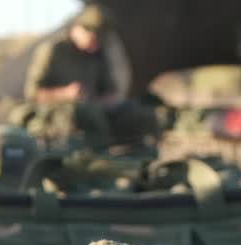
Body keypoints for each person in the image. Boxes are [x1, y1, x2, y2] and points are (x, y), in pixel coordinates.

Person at [18, 5, 156, 149]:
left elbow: (109, 90)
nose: (96, 43)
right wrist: (65, 93)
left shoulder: (97, 53)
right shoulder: (53, 50)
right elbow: (32, 93)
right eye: (93, 37)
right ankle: (96, 158)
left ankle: (136, 159)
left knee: (138, 113)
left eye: (100, 40)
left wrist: (109, 100)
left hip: (95, 108)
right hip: (59, 112)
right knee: (85, 115)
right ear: (78, 29)